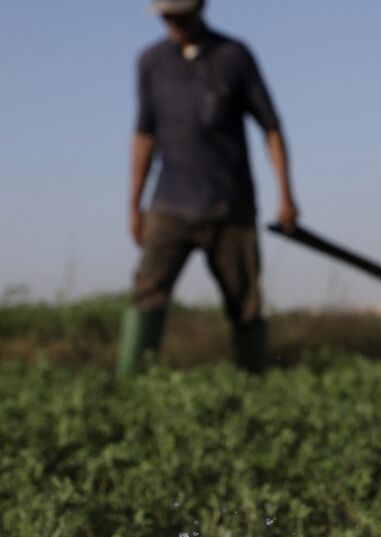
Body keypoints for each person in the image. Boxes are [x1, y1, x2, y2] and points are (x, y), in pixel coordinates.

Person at [119, 0, 298, 374]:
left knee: (245, 304)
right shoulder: (151, 62)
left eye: (180, 14)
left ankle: (253, 387)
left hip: (230, 207)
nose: (173, 23)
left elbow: (271, 128)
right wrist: (134, 205)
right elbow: (143, 137)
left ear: (200, 8)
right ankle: (129, 388)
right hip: (170, 205)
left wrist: (286, 196)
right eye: (167, 16)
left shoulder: (235, 56)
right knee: (146, 295)